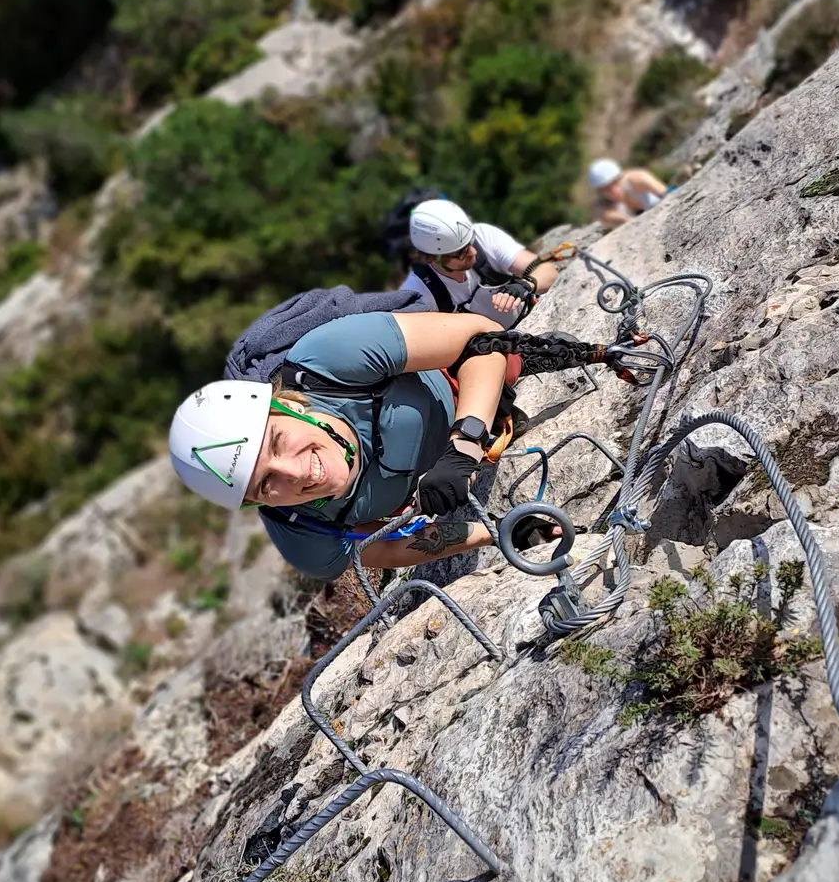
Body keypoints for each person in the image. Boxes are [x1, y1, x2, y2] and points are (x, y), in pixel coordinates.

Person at [169, 309, 521, 579]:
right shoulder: (303, 531)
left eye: (277, 442)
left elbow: (484, 336)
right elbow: (386, 550)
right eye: (265, 484)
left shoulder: (328, 359)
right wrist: (497, 529)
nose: (295, 472)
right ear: (255, 504)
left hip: (460, 389)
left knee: (513, 362)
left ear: (289, 406)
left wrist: (465, 447)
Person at [398, 196, 561, 326]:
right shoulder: (420, 293)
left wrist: (525, 285)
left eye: (470, 243)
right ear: (434, 258)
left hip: (528, 317)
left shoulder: (483, 236)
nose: (473, 252)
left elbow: (548, 270)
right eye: (462, 253)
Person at [587, 158, 670, 228]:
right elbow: (625, 222)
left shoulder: (639, 179)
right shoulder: (603, 208)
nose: (613, 191)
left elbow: (669, 194)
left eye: (614, 183)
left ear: (621, 177)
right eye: (606, 189)